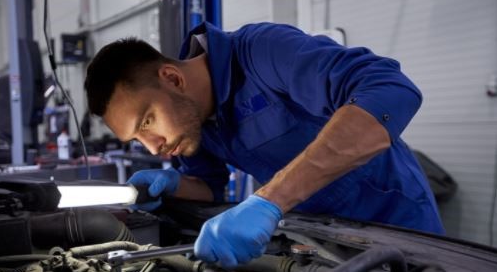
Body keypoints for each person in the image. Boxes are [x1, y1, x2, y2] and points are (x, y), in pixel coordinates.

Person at [84, 22, 444, 267]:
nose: (152, 146)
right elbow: (210, 186)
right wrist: (175, 184)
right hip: (316, 242)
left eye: (147, 121)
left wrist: (270, 201)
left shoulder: (263, 52)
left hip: (398, 227)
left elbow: (391, 91)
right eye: (137, 138)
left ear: (172, 78)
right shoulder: (192, 124)